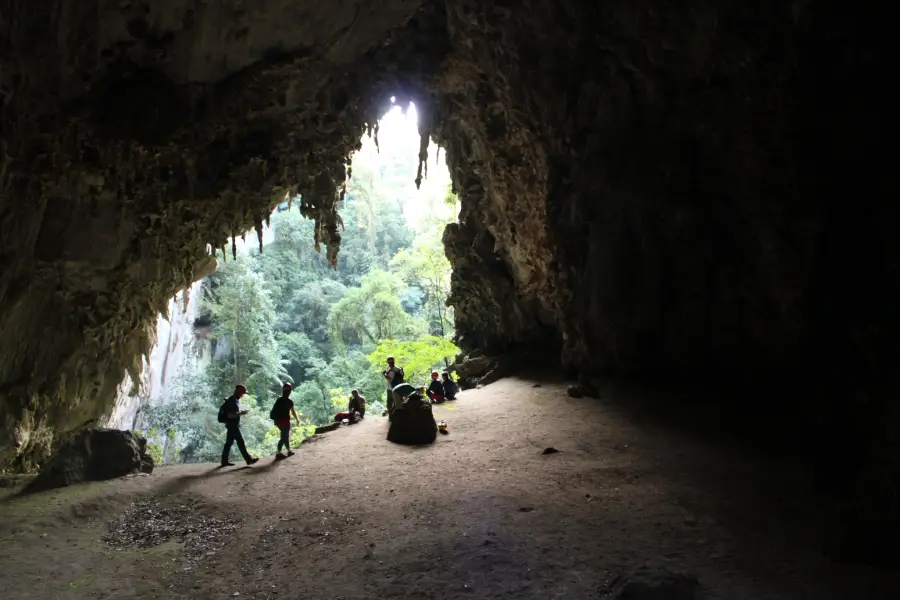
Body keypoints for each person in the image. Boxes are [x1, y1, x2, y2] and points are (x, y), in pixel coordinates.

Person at [221, 384, 259, 467]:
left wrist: (239, 413)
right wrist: (241, 413)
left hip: (232, 425)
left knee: (229, 443)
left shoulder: (234, 400)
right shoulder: (232, 401)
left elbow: (233, 413)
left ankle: (224, 461)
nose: (242, 395)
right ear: (238, 392)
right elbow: (229, 414)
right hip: (232, 425)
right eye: (242, 393)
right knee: (240, 442)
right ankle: (248, 459)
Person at [270, 382, 300, 459]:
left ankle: (288, 451)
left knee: (285, 436)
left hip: (278, 421)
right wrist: (297, 419)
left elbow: (274, 411)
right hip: (285, 421)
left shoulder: (279, 400)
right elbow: (292, 412)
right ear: (289, 391)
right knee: (284, 437)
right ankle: (278, 453)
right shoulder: (289, 401)